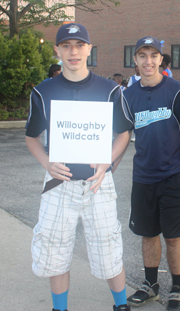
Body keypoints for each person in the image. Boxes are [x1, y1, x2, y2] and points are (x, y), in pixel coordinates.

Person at [25, 23, 133, 311]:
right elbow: (31, 137)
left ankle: (120, 305)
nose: (73, 51)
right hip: (59, 186)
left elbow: (124, 132)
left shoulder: (110, 90)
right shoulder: (43, 92)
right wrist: (46, 161)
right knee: (54, 252)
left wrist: (107, 159)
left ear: (88, 48)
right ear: (57, 50)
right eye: (66, 46)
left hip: (98, 185)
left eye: (79, 45)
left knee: (108, 249)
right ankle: (59, 308)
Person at [123, 36, 180, 311]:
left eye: (153, 55)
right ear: (135, 60)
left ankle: (177, 288)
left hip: (173, 176)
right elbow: (122, 135)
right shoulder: (128, 95)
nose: (148, 61)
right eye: (142, 55)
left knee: (173, 236)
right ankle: (150, 285)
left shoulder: (177, 91)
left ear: (161, 59)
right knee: (148, 234)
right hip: (143, 177)